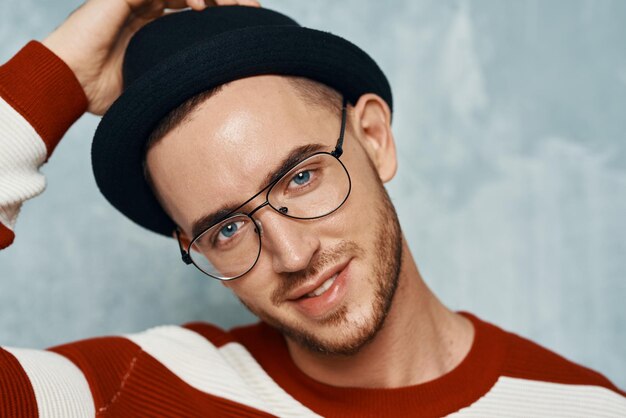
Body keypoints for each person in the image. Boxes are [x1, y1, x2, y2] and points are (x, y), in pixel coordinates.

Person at [0, 0, 624, 416]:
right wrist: (58, 78)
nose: (293, 256)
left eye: (300, 177)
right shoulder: (145, 387)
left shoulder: (582, 407)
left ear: (374, 139)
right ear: (189, 247)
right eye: (227, 228)